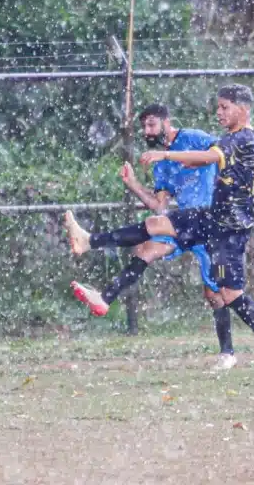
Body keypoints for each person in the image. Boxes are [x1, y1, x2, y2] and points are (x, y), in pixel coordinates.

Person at [65, 84, 254, 371]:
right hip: (213, 217)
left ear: (243, 109)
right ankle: (88, 243)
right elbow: (250, 163)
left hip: (229, 227)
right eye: (218, 106)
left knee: (228, 295)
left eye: (224, 107)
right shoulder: (242, 137)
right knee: (156, 225)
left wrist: (169, 156)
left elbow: (211, 156)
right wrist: (137, 182)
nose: (218, 112)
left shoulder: (241, 138)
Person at [68, 103, 237, 369]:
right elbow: (159, 205)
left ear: (167, 123)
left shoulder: (193, 138)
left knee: (216, 294)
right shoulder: (159, 162)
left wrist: (176, 158)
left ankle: (229, 352)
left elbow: (221, 154)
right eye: (144, 126)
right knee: (147, 248)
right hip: (182, 223)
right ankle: (105, 296)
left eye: (152, 124)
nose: (147, 131)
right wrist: (134, 184)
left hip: (209, 221)